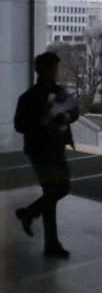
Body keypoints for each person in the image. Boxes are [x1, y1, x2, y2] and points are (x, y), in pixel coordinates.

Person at [14, 52, 79, 258]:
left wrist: (66, 116)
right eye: (54, 68)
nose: (56, 71)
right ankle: (51, 243)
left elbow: (75, 111)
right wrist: (43, 122)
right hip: (41, 150)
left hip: (57, 147)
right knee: (52, 191)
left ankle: (29, 213)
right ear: (44, 70)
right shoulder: (29, 97)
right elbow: (19, 125)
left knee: (61, 189)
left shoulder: (59, 92)